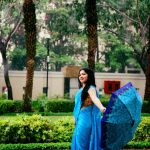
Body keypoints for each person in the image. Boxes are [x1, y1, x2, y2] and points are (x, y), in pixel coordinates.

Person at [71, 68, 106, 150]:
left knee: (82, 142)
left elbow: (95, 98)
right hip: (80, 119)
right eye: (79, 75)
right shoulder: (81, 90)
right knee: (80, 141)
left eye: (83, 74)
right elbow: (77, 106)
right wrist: (75, 118)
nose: (81, 76)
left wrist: (101, 107)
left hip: (86, 119)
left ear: (89, 76)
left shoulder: (91, 88)